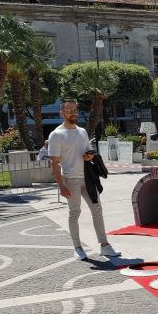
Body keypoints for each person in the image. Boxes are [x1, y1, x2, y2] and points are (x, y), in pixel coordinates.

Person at [48, 100, 120, 261]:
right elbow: (53, 162)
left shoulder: (82, 132)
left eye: (75, 109)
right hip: (70, 179)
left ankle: (104, 246)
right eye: (69, 110)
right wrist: (61, 185)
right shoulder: (56, 135)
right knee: (74, 213)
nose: (73, 112)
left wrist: (90, 156)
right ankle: (78, 247)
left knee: (97, 210)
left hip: (88, 177)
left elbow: (89, 151)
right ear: (62, 113)